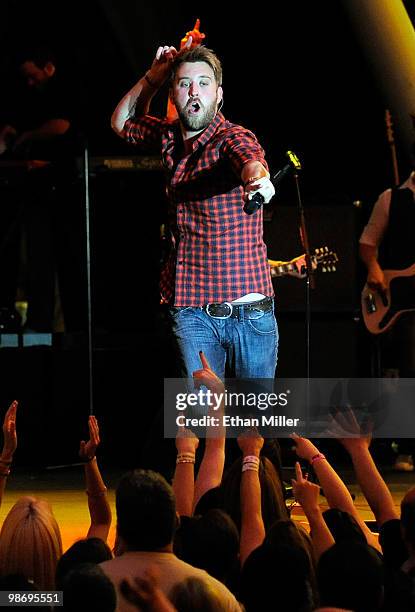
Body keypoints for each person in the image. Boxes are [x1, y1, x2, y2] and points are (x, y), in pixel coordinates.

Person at [111, 40, 277, 381]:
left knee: (253, 428)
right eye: (185, 84)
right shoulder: (169, 137)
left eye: (203, 83)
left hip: (249, 312)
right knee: (199, 420)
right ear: (174, 94)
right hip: (191, 310)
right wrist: (153, 78)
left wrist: (258, 178)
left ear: (218, 95)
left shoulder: (231, 137)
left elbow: (249, 159)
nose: (194, 92)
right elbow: (121, 123)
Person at [0, 46, 84, 333]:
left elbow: (61, 126)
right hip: (34, 190)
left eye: (33, 76)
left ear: (48, 67)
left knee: (58, 260)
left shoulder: (64, 90)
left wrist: (27, 136)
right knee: (34, 257)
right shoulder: (30, 97)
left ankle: (62, 325)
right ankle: (37, 320)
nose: (30, 83)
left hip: (62, 189)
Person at [359, 170, 415, 471]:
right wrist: (374, 268)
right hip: (400, 305)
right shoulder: (391, 198)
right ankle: (406, 447)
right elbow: (368, 243)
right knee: (409, 369)